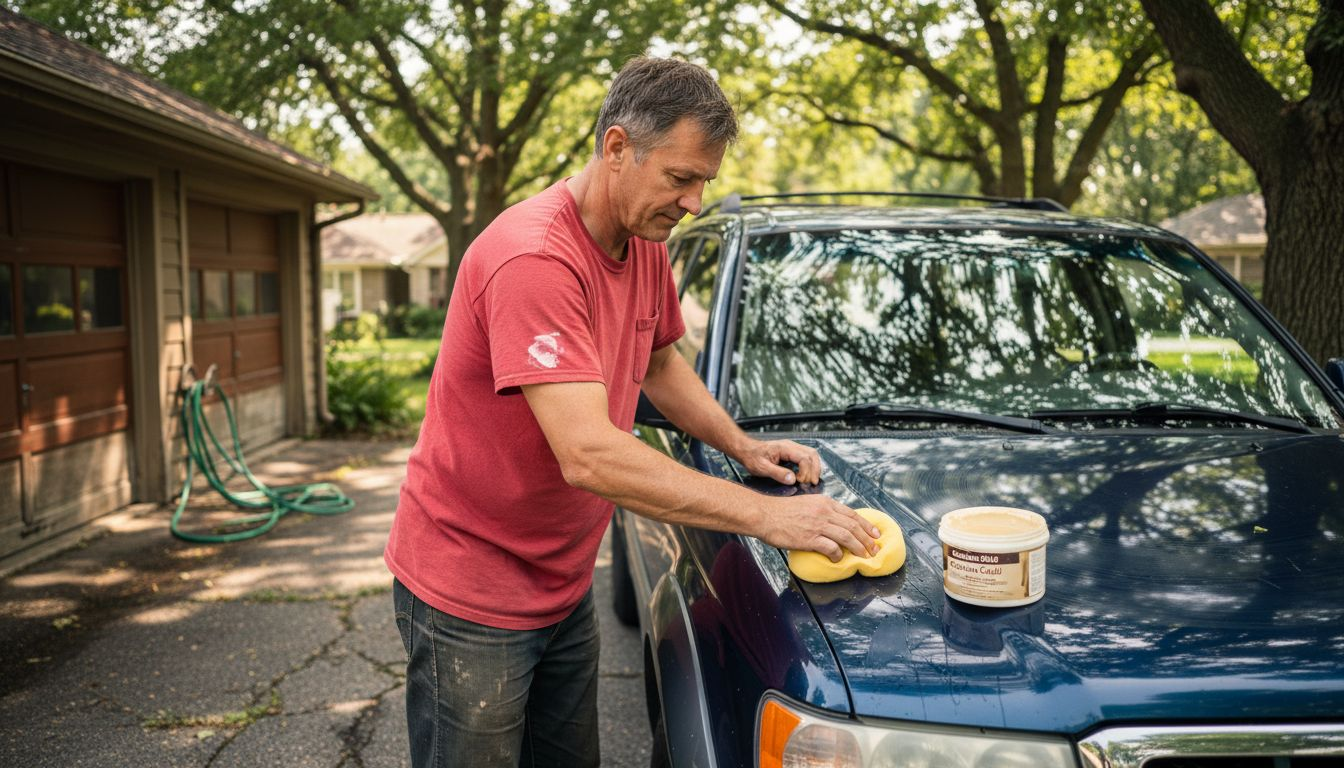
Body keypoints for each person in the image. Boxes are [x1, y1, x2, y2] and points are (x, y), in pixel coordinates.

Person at [384, 56, 880, 768]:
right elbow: (588, 453)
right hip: (470, 592)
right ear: (617, 148)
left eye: (704, 182)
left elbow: (659, 362)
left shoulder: (641, 242)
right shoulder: (534, 259)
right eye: (681, 178)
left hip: (559, 582)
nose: (693, 203)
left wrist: (742, 447)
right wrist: (767, 514)